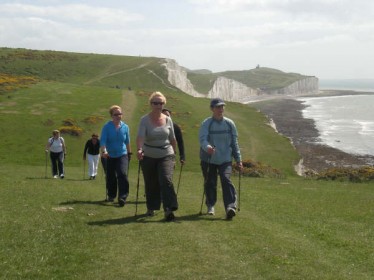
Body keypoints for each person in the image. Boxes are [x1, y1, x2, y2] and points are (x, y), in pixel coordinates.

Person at [136, 91, 178, 221]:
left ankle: (169, 209)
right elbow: (140, 137)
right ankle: (151, 207)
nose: (158, 105)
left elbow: (172, 139)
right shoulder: (144, 120)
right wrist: (139, 149)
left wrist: (174, 155)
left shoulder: (168, 119)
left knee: (166, 179)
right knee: (151, 182)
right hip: (148, 154)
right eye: (155, 103)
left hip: (166, 154)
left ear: (164, 104)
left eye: (161, 103)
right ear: (151, 104)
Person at [199, 98, 243, 220]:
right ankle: (210, 206)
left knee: (226, 179)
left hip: (225, 159)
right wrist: (207, 147)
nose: (221, 109)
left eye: (222, 107)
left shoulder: (229, 124)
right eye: (218, 107)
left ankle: (230, 207)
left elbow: (234, 143)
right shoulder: (207, 123)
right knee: (210, 182)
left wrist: (238, 160)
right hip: (209, 159)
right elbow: (203, 139)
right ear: (212, 109)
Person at [100, 105, 132, 206]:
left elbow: (127, 141)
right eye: (116, 114)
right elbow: (103, 141)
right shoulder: (107, 127)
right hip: (109, 155)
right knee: (110, 176)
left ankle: (122, 197)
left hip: (122, 154)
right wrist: (104, 151)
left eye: (120, 114)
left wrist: (129, 153)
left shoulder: (125, 127)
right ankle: (111, 195)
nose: (118, 116)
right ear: (111, 116)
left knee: (122, 173)